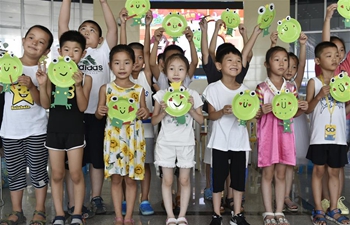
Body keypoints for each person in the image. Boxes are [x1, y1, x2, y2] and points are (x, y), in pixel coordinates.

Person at [58, 0, 118, 215]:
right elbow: (63, 25)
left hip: (97, 114)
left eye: (91, 30)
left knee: (96, 159)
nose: (86, 32)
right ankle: (74, 202)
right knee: (71, 162)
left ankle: (96, 197)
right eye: (82, 29)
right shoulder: (71, 53)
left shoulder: (103, 52)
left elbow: (113, 28)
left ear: (100, 39)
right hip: (72, 116)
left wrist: (103, 2)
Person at [200, 17, 260, 211]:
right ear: (219, 64)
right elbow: (207, 52)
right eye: (228, 60)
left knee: (237, 178)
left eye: (237, 61)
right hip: (219, 140)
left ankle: (237, 212)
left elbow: (245, 54)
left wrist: (252, 35)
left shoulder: (243, 86)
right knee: (218, 176)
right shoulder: (213, 85)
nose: (235, 63)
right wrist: (212, 29)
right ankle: (217, 213)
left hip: (238, 141)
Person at [36, 30, 92, 225]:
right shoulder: (52, 75)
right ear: (60, 51)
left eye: (76, 50)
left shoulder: (86, 78)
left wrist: (78, 85)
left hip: (76, 130)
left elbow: (83, 107)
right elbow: (45, 104)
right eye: (67, 49)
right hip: (54, 131)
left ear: (83, 54)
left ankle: (77, 213)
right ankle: (59, 214)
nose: (71, 53)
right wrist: (43, 85)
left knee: (76, 173)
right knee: (57, 174)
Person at [0, 25, 53, 225]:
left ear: (46, 51)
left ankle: (40, 210)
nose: (34, 43)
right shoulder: (7, 66)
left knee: (39, 171)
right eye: (31, 38)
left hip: (36, 130)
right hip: (11, 131)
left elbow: (45, 103)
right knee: (15, 173)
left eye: (41, 42)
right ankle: (16, 211)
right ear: (23, 40)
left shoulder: (43, 71)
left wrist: (32, 85)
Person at [95, 44, 149, 225]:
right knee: (116, 180)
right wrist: (100, 111)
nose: (122, 67)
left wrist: (144, 112)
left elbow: (145, 112)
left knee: (131, 180)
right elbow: (98, 114)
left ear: (134, 64)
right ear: (111, 65)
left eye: (127, 62)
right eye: (117, 63)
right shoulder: (106, 88)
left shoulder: (139, 89)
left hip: (134, 140)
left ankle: (128, 217)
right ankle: (118, 216)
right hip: (114, 140)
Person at [256, 46, 308, 225]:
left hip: (285, 135)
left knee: (280, 174)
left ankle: (279, 211)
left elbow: (292, 114)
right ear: (267, 64)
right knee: (267, 174)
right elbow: (254, 114)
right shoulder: (262, 88)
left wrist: (302, 108)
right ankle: (268, 212)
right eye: (276, 59)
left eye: (285, 59)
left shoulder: (291, 88)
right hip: (268, 136)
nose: (282, 63)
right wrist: (261, 111)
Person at [152, 53, 204, 225]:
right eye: (172, 69)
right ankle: (170, 216)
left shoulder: (192, 94)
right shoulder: (161, 95)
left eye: (181, 69)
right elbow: (154, 120)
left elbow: (200, 120)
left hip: (186, 143)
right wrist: (164, 111)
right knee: (167, 180)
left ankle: (182, 215)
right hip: (165, 143)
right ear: (165, 72)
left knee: (184, 179)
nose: (176, 73)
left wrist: (190, 108)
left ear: (187, 72)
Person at [305, 41, 350, 225]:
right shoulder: (314, 82)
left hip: (338, 137)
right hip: (318, 137)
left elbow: (344, 110)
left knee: (334, 172)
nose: (334, 58)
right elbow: (307, 109)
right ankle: (318, 209)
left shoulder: (344, 82)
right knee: (318, 171)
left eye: (336, 55)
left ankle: (333, 209)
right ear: (317, 60)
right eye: (328, 55)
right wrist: (319, 96)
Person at [119, 8, 155, 215]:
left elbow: (149, 53)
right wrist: (123, 25)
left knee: (145, 165)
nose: (137, 61)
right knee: (124, 167)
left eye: (140, 58)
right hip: (123, 131)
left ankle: (144, 199)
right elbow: (121, 48)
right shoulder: (122, 78)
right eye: (132, 58)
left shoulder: (145, 76)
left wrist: (148, 25)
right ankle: (125, 200)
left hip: (146, 130)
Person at [316, 3, 350, 215]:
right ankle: (326, 201)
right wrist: (328, 18)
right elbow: (325, 42)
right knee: (324, 167)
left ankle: (336, 201)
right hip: (326, 126)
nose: (336, 54)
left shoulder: (345, 68)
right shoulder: (323, 69)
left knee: (338, 167)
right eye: (332, 51)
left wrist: (346, 112)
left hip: (344, 122)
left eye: (341, 51)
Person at [270, 31, 309, 212]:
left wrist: (302, 46)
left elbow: (301, 67)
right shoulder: (273, 83)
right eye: (287, 65)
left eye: (293, 67)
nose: (290, 70)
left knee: (289, 165)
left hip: (293, 126)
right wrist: (273, 42)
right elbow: (270, 64)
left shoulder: (293, 84)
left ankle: (286, 196)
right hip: (275, 127)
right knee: (278, 166)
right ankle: (279, 196)